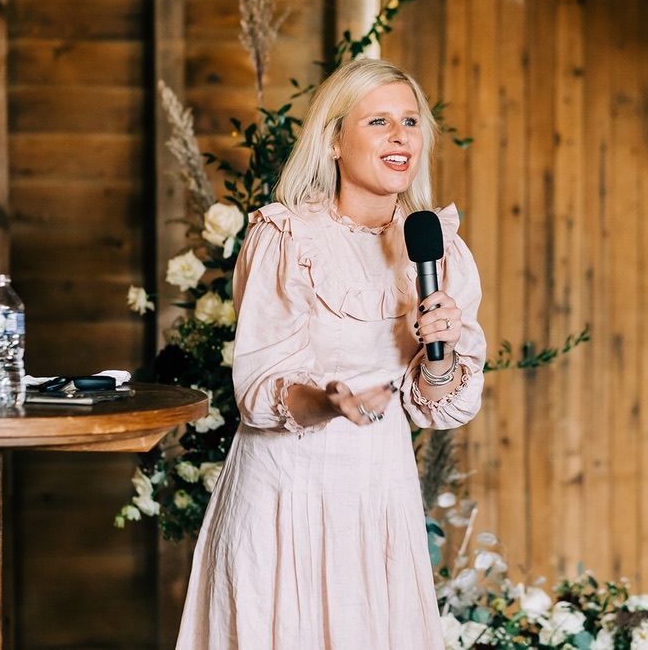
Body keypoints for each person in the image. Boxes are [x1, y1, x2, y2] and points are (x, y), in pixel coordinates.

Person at [175, 58, 486, 649]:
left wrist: (439, 358)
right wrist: (328, 401)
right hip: (285, 491)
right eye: (379, 121)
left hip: (380, 492)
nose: (401, 136)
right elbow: (259, 392)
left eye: (411, 122)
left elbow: (441, 408)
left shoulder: (439, 249)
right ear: (334, 140)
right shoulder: (287, 236)